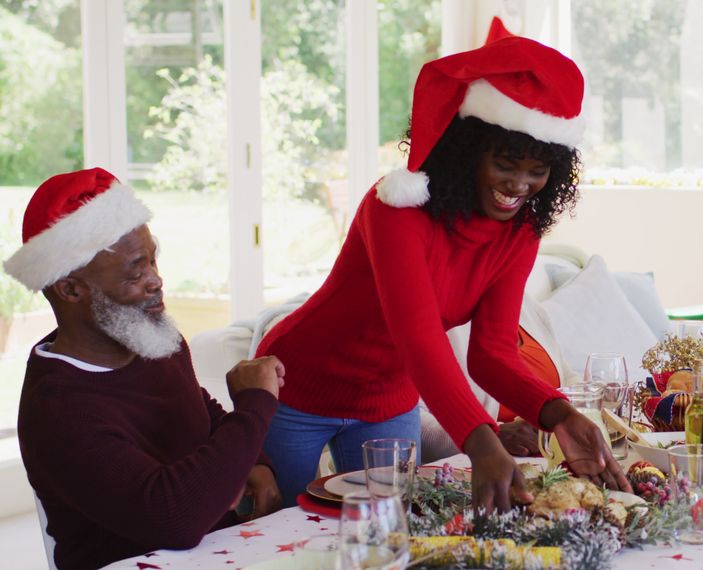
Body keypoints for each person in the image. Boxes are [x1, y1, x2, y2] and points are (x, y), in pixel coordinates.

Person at [256, 18, 629, 511]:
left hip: (387, 402)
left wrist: (558, 413)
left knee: (393, 531)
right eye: (505, 163)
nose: (519, 184)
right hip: (298, 387)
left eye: (537, 171)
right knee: (281, 528)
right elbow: (419, 337)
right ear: (467, 151)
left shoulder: (520, 233)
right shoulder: (396, 210)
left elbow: (491, 353)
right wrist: (481, 441)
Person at [4, 168, 285, 570]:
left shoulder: (150, 338)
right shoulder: (57, 409)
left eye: (154, 260)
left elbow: (198, 409)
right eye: (136, 272)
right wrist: (255, 406)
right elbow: (174, 519)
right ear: (69, 289)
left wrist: (256, 459)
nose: (157, 281)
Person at [421, 294, 583, 461]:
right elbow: (414, 421)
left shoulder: (527, 306)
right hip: (492, 468)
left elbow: (568, 377)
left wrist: (585, 408)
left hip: (556, 461)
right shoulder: (436, 317)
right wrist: (490, 437)